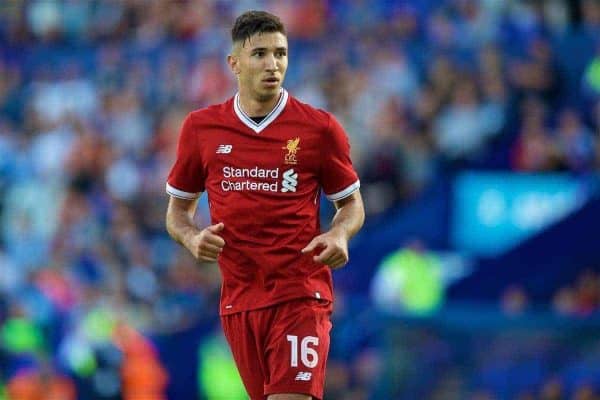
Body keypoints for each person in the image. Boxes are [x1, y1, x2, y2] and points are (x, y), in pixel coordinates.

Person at [165, 10, 364, 400]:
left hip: (299, 294)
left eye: (281, 53)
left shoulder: (319, 129)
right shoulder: (201, 129)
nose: (273, 64)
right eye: (259, 54)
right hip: (239, 301)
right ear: (234, 64)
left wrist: (340, 233)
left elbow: (352, 204)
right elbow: (177, 212)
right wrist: (191, 238)